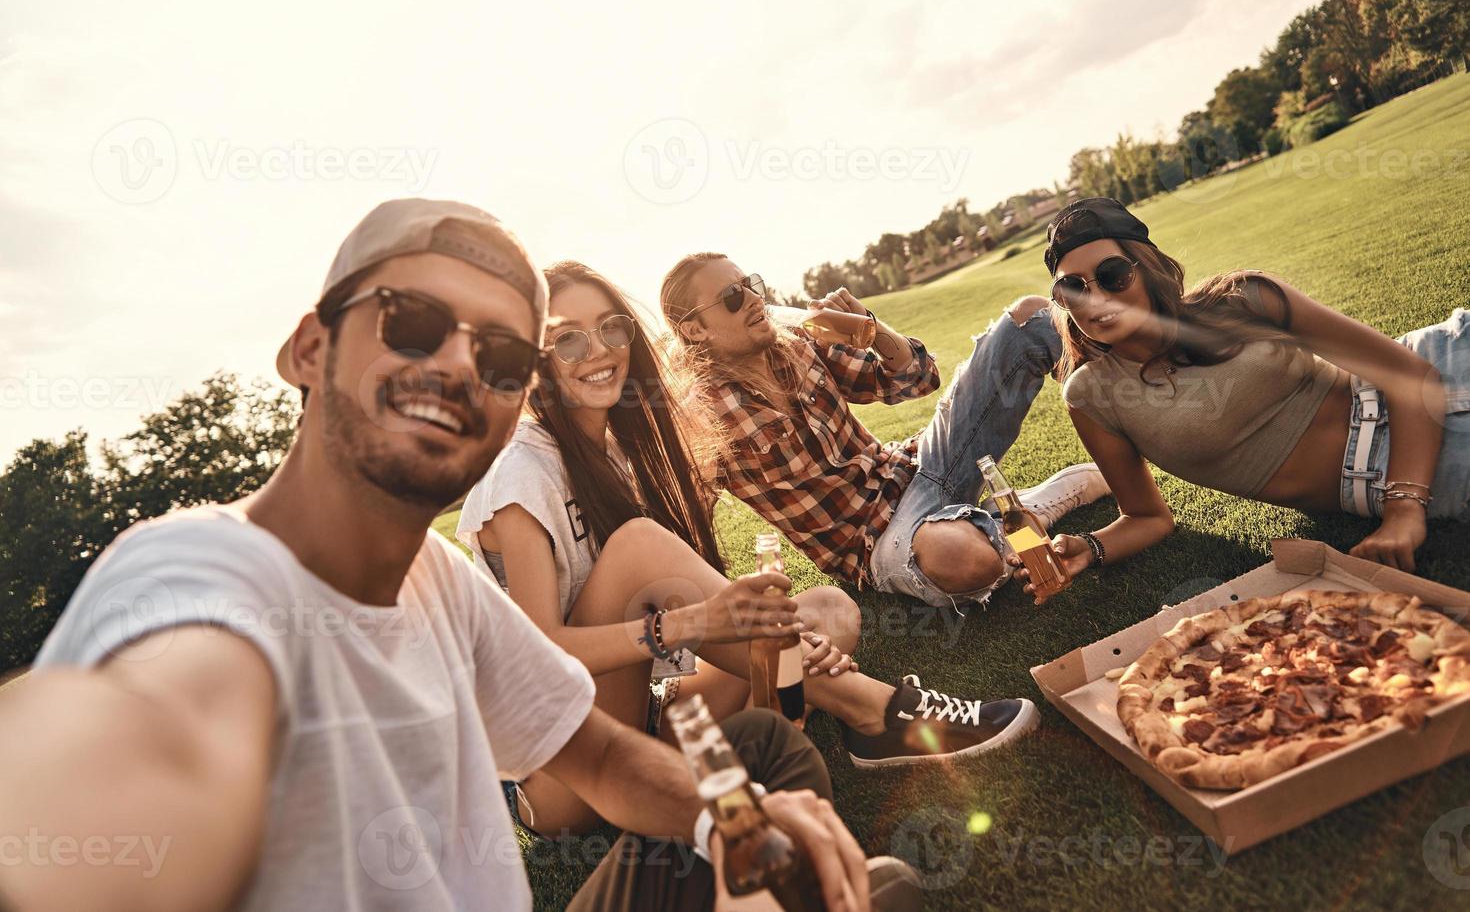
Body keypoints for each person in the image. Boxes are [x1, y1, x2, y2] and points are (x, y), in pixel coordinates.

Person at [0, 200, 918, 912]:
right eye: (412, 322)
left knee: (761, 760)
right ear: (310, 348)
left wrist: (731, 826)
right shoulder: (191, 569)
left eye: (506, 355)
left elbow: (598, 756)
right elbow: (144, 731)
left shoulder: (434, 579)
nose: (461, 368)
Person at [457, 262, 1038, 825]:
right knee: (639, 546)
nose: (600, 350)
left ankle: (763, 742)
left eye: (611, 328)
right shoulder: (519, 472)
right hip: (560, 771)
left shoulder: (615, 456)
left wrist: (773, 635)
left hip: (644, 718)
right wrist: (689, 625)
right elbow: (541, 655)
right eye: (567, 341)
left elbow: (676, 614)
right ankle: (876, 712)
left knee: (828, 611)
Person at [1041, 196, 1468, 578]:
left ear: (1146, 269)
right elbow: (1146, 516)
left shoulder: (1244, 297)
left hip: (1439, 363)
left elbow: (1409, 376)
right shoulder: (1092, 395)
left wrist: (1403, 510)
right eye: (1073, 288)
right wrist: (1090, 547)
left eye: (1112, 275)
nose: (1094, 298)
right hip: (1385, 470)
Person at [660, 254, 1110, 615]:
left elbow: (918, 378)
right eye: (733, 296)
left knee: (1030, 319)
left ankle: (1128, 421)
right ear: (694, 328)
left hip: (917, 468)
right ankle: (1019, 513)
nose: (755, 300)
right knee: (968, 560)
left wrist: (871, 329)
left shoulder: (799, 343)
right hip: (873, 543)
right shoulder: (700, 416)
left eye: (752, 284)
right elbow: (685, 524)